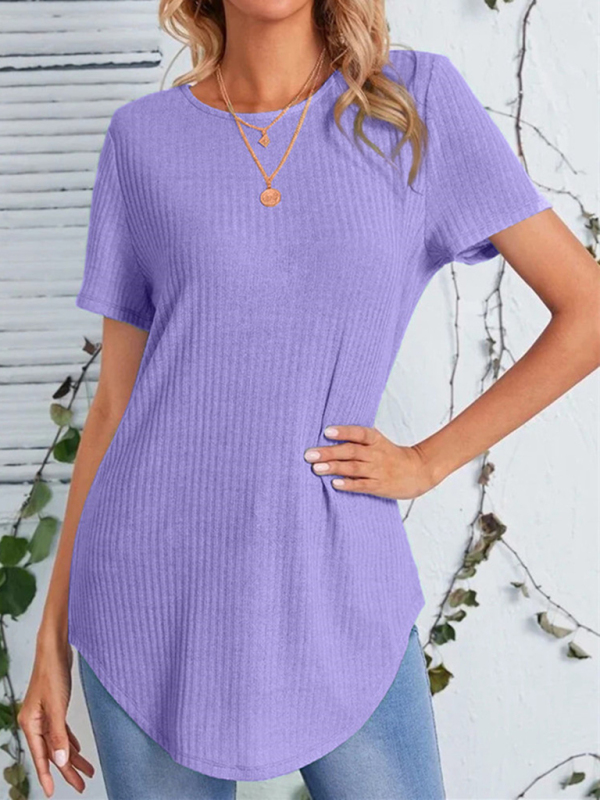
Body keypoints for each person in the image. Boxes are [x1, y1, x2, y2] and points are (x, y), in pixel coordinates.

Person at [18, 0, 600, 798]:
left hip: (337, 580)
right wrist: (49, 640)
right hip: (147, 594)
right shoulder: (143, 140)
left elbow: (587, 312)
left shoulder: (413, 106)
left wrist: (428, 462)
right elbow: (115, 407)